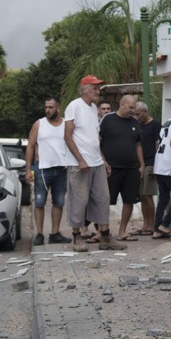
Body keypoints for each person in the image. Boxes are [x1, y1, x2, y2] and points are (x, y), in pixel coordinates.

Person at [64, 75, 124, 253]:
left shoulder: (92, 109)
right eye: (95, 88)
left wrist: (103, 160)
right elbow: (67, 136)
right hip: (79, 164)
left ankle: (105, 236)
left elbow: (93, 139)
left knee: (103, 198)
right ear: (84, 89)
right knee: (79, 200)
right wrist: (80, 159)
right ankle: (77, 237)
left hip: (96, 162)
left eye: (99, 88)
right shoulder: (74, 106)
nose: (98, 91)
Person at [24, 97, 73, 247]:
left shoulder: (66, 124)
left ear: (58, 108)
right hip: (42, 169)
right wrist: (28, 170)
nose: (47, 110)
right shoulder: (39, 124)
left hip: (62, 169)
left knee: (58, 202)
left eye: (51, 107)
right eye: (46, 107)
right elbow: (30, 146)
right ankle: (39, 234)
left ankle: (54, 234)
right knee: (39, 202)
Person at [99, 94, 143, 242]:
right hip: (111, 168)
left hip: (131, 168)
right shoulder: (108, 119)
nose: (133, 110)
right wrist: (103, 161)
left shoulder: (135, 122)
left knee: (129, 200)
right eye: (130, 107)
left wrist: (141, 165)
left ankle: (122, 231)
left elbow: (138, 145)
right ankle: (102, 232)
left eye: (134, 107)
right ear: (122, 105)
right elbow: (97, 142)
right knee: (105, 200)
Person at [153, 102, 171, 240]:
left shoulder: (168, 121)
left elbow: (158, 142)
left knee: (163, 198)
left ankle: (157, 228)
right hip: (170, 165)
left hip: (159, 164)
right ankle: (165, 223)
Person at [134, 101, 159, 236]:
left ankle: (152, 224)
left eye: (138, 114)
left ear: (145, 112)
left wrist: (157, 164)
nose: (136, 117)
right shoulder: (137, 126)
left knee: (148, 195)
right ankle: (145, 224)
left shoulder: (155, 125)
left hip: (151, 162)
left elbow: (158, 144)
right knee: (142, 196)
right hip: (139, 163)